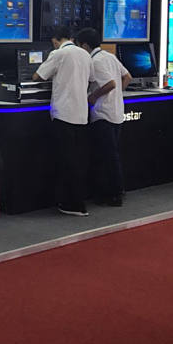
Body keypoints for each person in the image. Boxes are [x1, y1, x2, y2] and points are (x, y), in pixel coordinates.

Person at [33, 25, 94, 217]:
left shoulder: (58, 54)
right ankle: (78, 200)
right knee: (77, 160)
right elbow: (91, 78)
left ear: (55, 40)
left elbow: (38, 76)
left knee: (66, 161)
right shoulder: (85, 54)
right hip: (81, 114)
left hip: (63, 114)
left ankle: (72, 203)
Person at [75, 28, 132, 207]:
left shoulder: (96, 61)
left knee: (107, 156)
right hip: (116, 112)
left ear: (85, 45)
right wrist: (118, 95)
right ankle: (113, 191)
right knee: (110, 155)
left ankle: (114, 194)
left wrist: (93, 96)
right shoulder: (109, 56)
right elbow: (127, 77)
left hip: (103, 114)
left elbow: (110, 83)